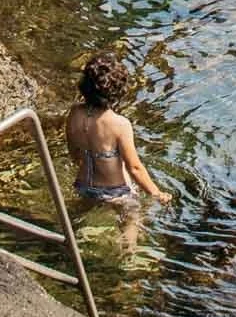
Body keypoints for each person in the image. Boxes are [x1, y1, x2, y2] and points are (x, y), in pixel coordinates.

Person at [64, 52, 170, 206]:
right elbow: (134, 168)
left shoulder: (75, 112)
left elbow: (73, 153)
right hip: (115, 192)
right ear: (118, 91)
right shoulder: (120, 124)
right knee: (134, 220)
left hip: (83, 186)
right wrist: (157, 193)